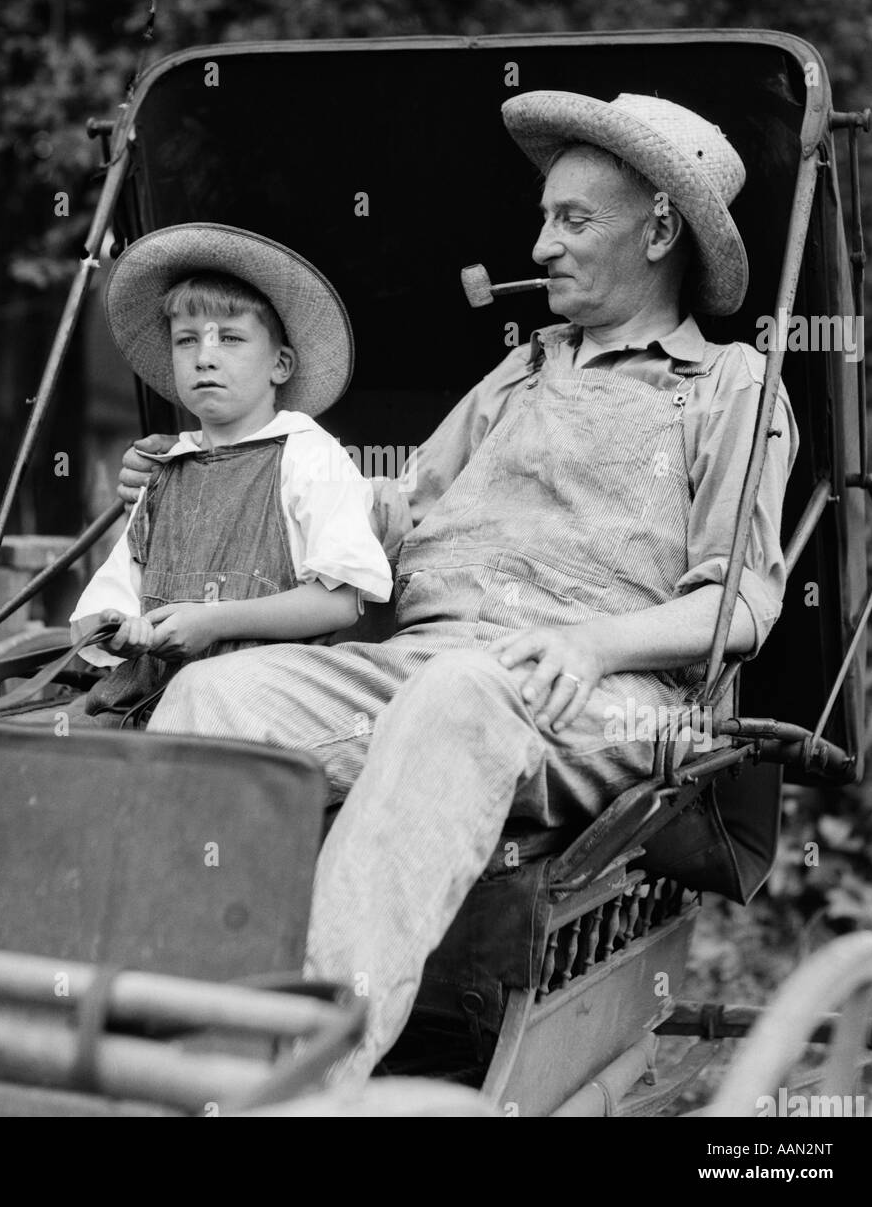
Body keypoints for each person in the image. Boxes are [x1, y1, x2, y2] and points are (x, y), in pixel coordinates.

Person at [117, 93, 799, 1077]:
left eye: (574, 220)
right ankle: (161, 1049)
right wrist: (215, 473)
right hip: (425, 657)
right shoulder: (518, 375)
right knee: (213, 695)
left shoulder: (732, 384)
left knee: (458, 695)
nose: (544, 244)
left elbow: (742, 605)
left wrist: (592, 643)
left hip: (594, 692)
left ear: (660, 228)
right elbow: (383, 517)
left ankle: (301, 1073)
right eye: (544, 219)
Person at [71, 223, 392, 726]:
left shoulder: (309, 455)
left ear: (280, 365)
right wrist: (117, 628)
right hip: (148, 701)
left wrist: (215, 622)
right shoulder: (164, 469)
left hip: (264, 705)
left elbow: (341, 602)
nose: (205, 357)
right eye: (186, 341)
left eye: (231, 338)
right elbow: (108, 602)